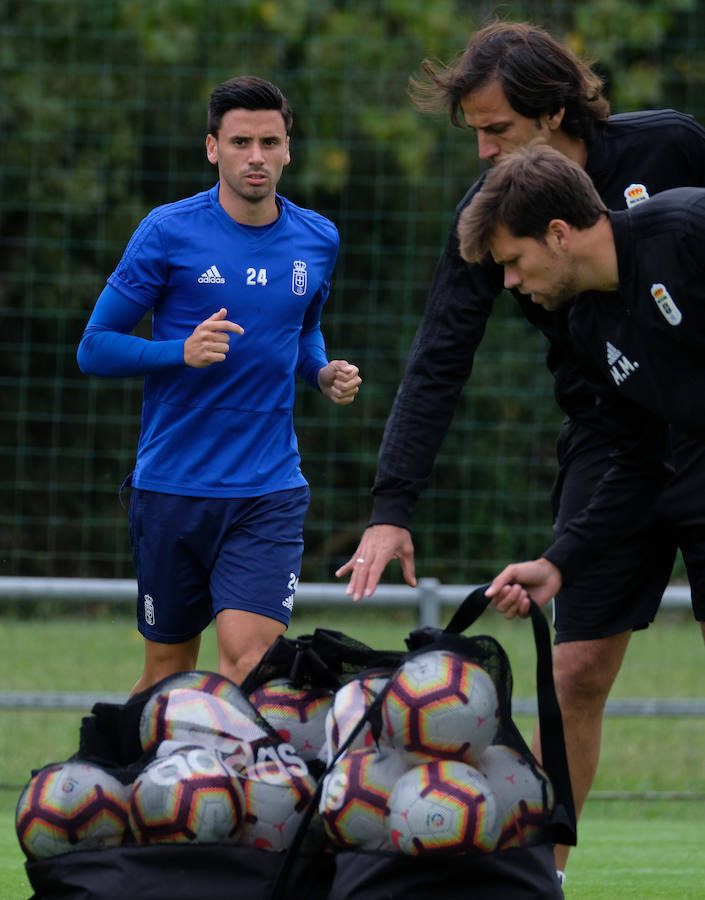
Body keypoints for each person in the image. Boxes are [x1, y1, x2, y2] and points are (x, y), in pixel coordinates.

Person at [334, 21, 705, 881]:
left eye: (496, 128)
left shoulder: (672, 157)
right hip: (619, 438)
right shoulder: (492, 218)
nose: (482, 149)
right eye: (471, 131)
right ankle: (548, 877)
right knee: (572, 669)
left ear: (554, 110)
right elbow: (437, 358)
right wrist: (391, 507)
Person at [77, 75, 361, 695]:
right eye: (240, 142)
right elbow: (93, 348)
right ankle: (142, 789)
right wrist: (179, 352)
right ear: (213, 149)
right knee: (168, 676)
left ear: (288, 149)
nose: (255, 156)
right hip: (174, 486)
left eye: (268, 141)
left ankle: (237, 791)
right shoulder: (166, 232)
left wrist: (321, 371)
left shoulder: (318, 238)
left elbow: (304, 331)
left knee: (252, 663)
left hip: (269, 487)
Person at [457, 143, 705, 615]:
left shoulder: (690, 228)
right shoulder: (588, 327)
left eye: (513, 260)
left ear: (557, 235)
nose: (509, 282)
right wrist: (558, 564)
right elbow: (641, 462)